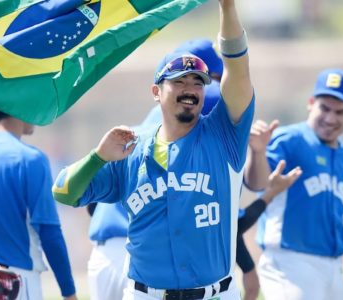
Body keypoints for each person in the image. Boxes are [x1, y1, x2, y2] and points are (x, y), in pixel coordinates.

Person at [53, 0, 254, 298]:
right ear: (156, 92)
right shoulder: (130, 149)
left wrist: (226, 8)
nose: (190, 89)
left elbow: (237, 69)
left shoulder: (224, 135)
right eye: (179, 82)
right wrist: (97, 158)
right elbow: (64, 192)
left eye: (197, 83)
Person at [86, 38, 224, 300]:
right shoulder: (204, 103)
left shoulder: (149, 122)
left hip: (107, 250)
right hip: (147, 258)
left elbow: (90, 201)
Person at [244, 69, 343, 300]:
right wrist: (258, 152)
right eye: (325, 108)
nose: (331, 118)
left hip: (334, 268)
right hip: (290, 263)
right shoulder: (290, 140)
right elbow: (257, 182)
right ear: (311, 103)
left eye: (340, 112)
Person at [0, 110, 77, 300]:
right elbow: (50, 232)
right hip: (15, 278)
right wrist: (69, 292)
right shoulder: (30, 158)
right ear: (19, 106)